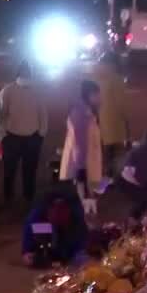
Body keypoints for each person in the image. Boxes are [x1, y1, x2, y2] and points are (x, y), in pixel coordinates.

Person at [0, 60, 48, 208]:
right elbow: (0, 115)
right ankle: (8, 199)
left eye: (28, 73)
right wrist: (3, 135)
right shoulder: (8, 91)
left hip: (32, 138)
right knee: (9, 171)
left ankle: (28, 198)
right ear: (18, 74)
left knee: (30, 171)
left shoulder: (37, 91)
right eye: (24, 73)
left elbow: (43, 114)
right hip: (11, 137)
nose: (26, 76)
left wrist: (41, 134)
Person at [20, 180, 89, 268]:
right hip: (47, 253)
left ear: (68, 210)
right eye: (55, 210)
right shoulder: (36, 220)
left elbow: (81, 250)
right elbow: (27, 253)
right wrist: (31, 257)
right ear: (48, 210)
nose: (58, 213)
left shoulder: (77, 220)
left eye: (62, 210)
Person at [60, 79, 103, 213]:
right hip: (83, 161)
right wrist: (81, 166)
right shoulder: (81, 113)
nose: (99, 98)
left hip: (86, 161)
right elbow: (80, 141)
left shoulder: (87, 112)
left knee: (87, 195)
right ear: (89, 94)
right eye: (97, 95)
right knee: (84, 198)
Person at [92, 52, 131, 177]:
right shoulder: (116, 79)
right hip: (115, 122)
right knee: (118, 152)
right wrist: (127, 119)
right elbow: (122, 104)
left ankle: (103, 176)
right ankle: (114, 178)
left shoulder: (95, 77)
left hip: (98, 119)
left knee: (103, 152)